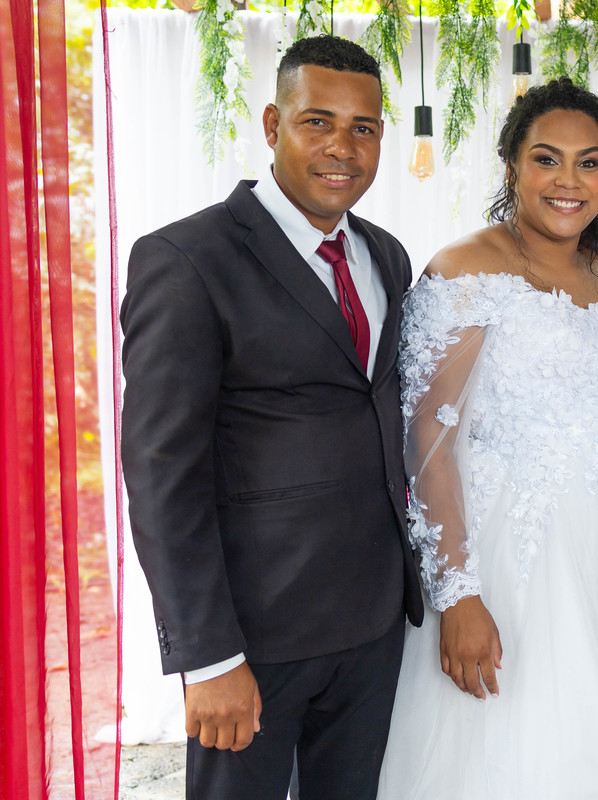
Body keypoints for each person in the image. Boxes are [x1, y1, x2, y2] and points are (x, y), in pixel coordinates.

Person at [375, 78, 598, 800]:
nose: (569, 180)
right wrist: (458, 594)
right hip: (518, 561)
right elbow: (426, 443)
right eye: (547, 159)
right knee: (536, 758)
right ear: (511, 166)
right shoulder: (468, 268)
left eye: (589, 162)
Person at [120, 35, 421, 799]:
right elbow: (161, 472)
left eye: (363, 128)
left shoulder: (386, 256)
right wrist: (208, 656)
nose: (342, 148)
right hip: (255, 634)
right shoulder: (188, 259)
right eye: (317, 121)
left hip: (374, 623)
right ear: (271, 124)